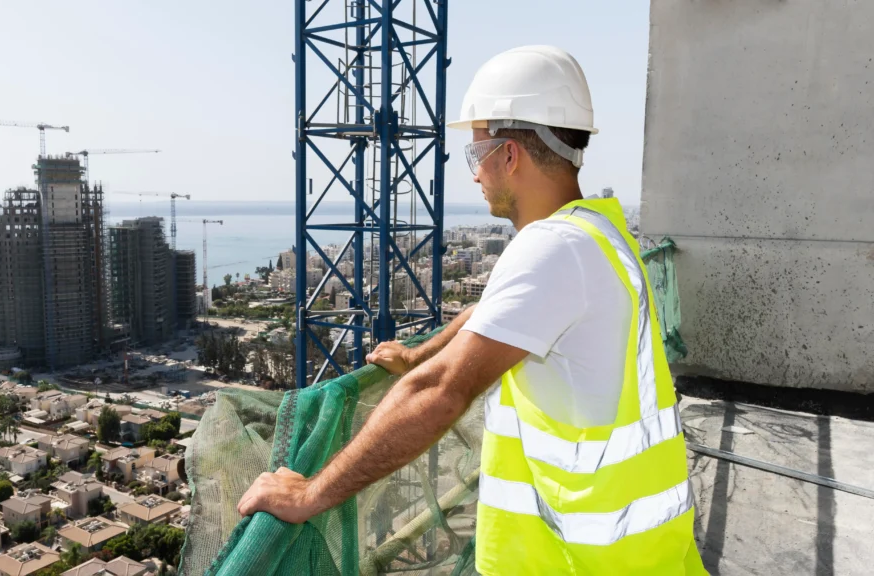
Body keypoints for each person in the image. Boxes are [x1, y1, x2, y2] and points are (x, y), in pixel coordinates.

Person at [238, 45, 706, 575]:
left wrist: (311, 494)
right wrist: (421, 356)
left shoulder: (552, 250)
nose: (476, 174)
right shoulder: (600, 233)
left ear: (510, 155)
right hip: (638, 551)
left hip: (586, 560)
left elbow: (441, 394)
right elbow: (489, 313)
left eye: (476, 154)